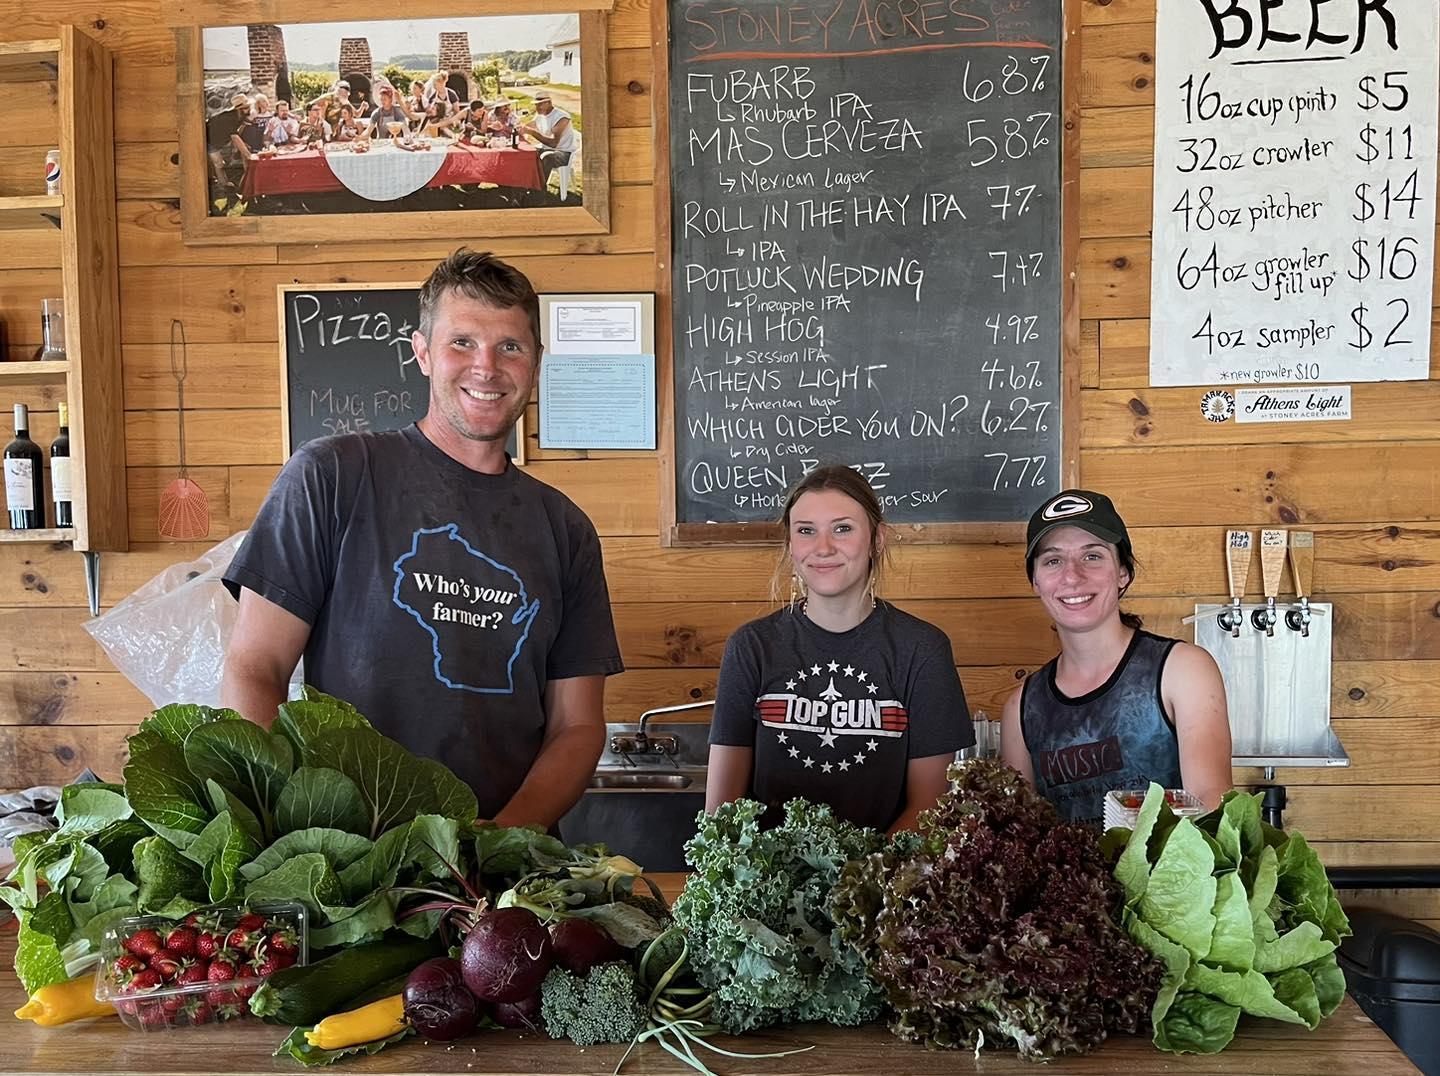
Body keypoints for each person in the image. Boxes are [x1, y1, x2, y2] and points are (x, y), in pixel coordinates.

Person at [221, 250, 624, 829]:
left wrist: (501, 842)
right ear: (422, 353)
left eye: (509, 346)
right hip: (350, 857)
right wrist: (280, 826)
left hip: (500, 874)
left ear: (536, 362)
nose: (486, 367)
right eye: (462, 342)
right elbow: (255, 668)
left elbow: (577, 726)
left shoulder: (566, 529)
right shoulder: (333, 476)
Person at [705, 465, 974, 834]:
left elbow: (929, 807)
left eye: (843, 529)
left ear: (877, 538)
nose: (823, 548)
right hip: (769, 884)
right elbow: (723, 812)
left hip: (881, 884)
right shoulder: (751, 647)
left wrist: (860, 886)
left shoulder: (922, 649)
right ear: (790, 543)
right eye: (806, 531)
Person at [999, 489, 1233, 825]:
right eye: (1053, 560)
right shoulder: (1020, 709)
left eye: (1092, 556)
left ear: (1122, 571)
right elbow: (1020, 838)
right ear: (1036, 581)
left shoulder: (1182, 670)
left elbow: (1212, 810)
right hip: (1071, 880)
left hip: (1171, 878)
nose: (1072, 576)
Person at [521, 90, 578, 186]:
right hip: (546, 149)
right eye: (536, 104)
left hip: (563, 153)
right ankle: (524, 186)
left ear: (548, 103)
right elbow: (529, 125)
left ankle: (540, 190)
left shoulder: (562, 117)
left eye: (540, 104)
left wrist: (532, 132)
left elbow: (553, 143)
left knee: (547, 157)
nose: (537, 107)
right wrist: (519, 128)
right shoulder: (540, 115)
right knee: (524, 154)